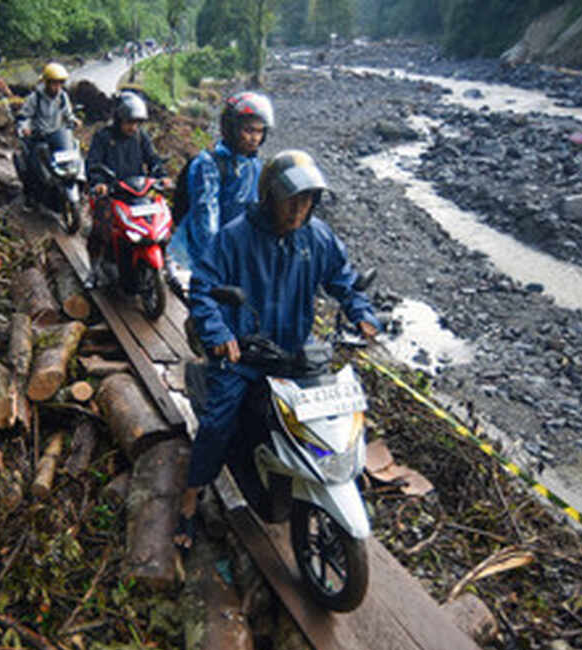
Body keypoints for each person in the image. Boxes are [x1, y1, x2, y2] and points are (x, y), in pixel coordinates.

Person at [176, 150, 381, 545]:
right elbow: (202, 287)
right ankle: (189, 498)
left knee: (331, 420)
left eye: (307, 200)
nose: (299, 209)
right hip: (244, 355)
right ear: (269, 195)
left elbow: (343, 277)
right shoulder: (236, 236)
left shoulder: (317, 236)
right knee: (218, 422)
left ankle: (316, 478)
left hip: (294, 354)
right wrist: (220, 334)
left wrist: (360, 311)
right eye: (292, 199)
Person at [167, 91, 274, 281]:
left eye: (259, 131)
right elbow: (205, 218)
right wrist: (214, 264)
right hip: (208, 255)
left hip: (240, 251)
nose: (254, 138)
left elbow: (257, 208)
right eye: (249, 130)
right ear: (231, 129)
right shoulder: (208, 165)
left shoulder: (254, 165)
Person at [85, 91, 167, 280]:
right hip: (112, 193)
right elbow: (93, 163)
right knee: (100, 229)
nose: (133, 127)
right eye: (130, 122)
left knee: (157, 225)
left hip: (138, 193)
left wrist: (161, 176)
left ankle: (166, 263)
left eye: (137, 123)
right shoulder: (103, 137)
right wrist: (99, 183)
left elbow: (153, 158)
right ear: (119, 119)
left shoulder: (141, 137)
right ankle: (94, 269)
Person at [15, 62, 80, 206]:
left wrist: (74, 120)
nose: (57, 87)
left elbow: (68, 114)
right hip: (39, 137)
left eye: (60, 83)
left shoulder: (63, 97)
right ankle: (30, 196)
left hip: (58, 135)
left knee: (68, 160)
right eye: (54, 84)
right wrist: (25, 128)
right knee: (33, 168)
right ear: (46, 83)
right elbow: (25, 116)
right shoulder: (35, 98)